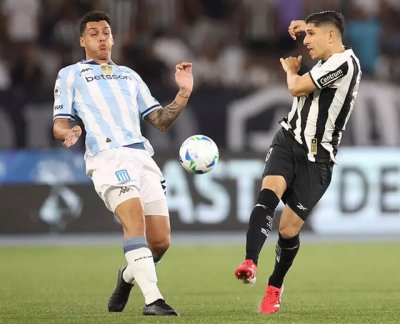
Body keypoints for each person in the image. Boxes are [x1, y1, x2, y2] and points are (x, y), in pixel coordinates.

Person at [53, 11, 193, 316]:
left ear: (112, 38)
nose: (101, 37)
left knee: (160, 242)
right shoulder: (70, 74)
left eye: (106, 32)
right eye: (93, 33)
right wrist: (70, 131)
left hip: (141, 157)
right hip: (108, 157)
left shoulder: (130, 76)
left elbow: (159, 120)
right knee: (134, 222)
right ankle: (153, 299)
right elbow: (59, 123)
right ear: (82, 40)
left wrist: (183, 94)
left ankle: (127, 276)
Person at [234, 10, 361, 314]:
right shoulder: (329, 50)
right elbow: (329, 24)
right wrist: (306, 25)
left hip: (318, 159)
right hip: (288, 140)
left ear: (330, 36)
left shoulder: (344, 64)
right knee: (267, 195)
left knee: (289, 231)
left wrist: (291, 70)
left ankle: (274, 286)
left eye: (312, 35)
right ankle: (250, 261)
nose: (306, 42)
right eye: (306, 35)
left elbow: (296, 87)